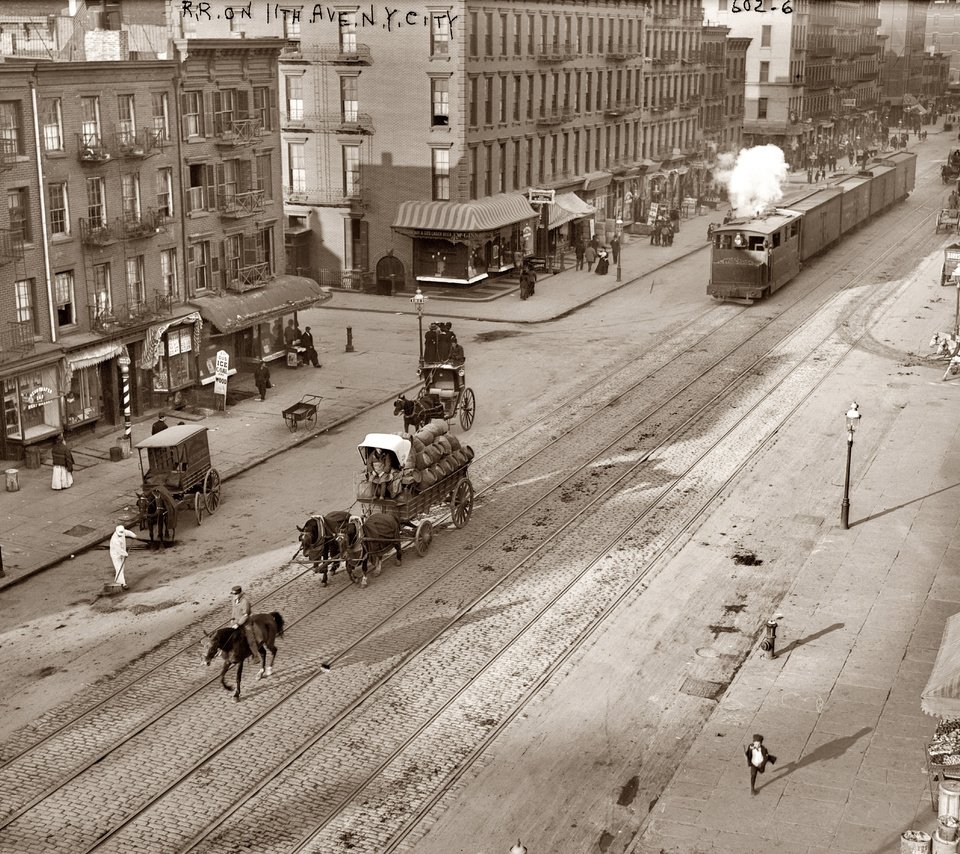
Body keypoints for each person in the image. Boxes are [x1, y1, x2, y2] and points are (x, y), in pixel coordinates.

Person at [230, 584, 260, 652]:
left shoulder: (245, 602)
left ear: (240, 593)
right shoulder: (234, 600)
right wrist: (232, 619)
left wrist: (238, 624)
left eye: (236, 594)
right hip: (235, 621)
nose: (234, 595)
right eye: (233, 594)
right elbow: (233, 610)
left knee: (250, 639)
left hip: (245, 623)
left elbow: (245, 615)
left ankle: (255, 656)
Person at [110, 524, 138, 590]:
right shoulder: (115, 540)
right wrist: (125, 554)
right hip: (116, 555)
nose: (120, 534)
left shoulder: (122, 532)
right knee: (119, 568)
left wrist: (134, 535)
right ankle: (124, 584)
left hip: (122, 554)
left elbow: (128, 532)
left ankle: (117, 581)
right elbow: (119, 550)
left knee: (121, 569)